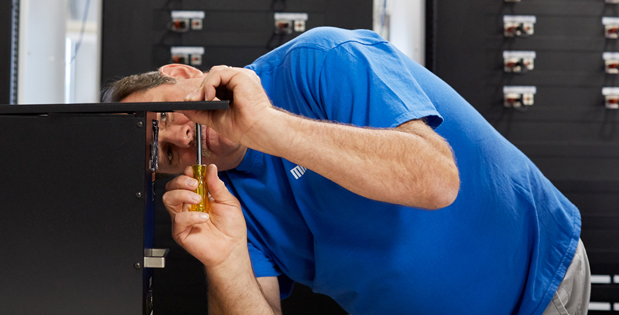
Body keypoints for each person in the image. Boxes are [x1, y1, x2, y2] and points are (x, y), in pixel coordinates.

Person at [103, 27, 589, 315]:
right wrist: (225, 260)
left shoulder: (319, 60)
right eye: (164, 155)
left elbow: (437, 179)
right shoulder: (226, 204)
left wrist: (265, 127)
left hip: (534, 287)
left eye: (166, 117)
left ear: (184, 74)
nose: (179, 139)